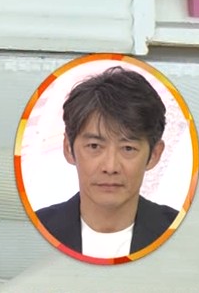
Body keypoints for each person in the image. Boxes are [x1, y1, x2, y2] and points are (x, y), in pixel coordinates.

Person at [34, 66, 181, 259]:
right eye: (94, 146)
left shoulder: (182, 234)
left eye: (128, 148)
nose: (110, 167)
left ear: (154, 155)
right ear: (68, 148)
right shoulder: (34, 231)